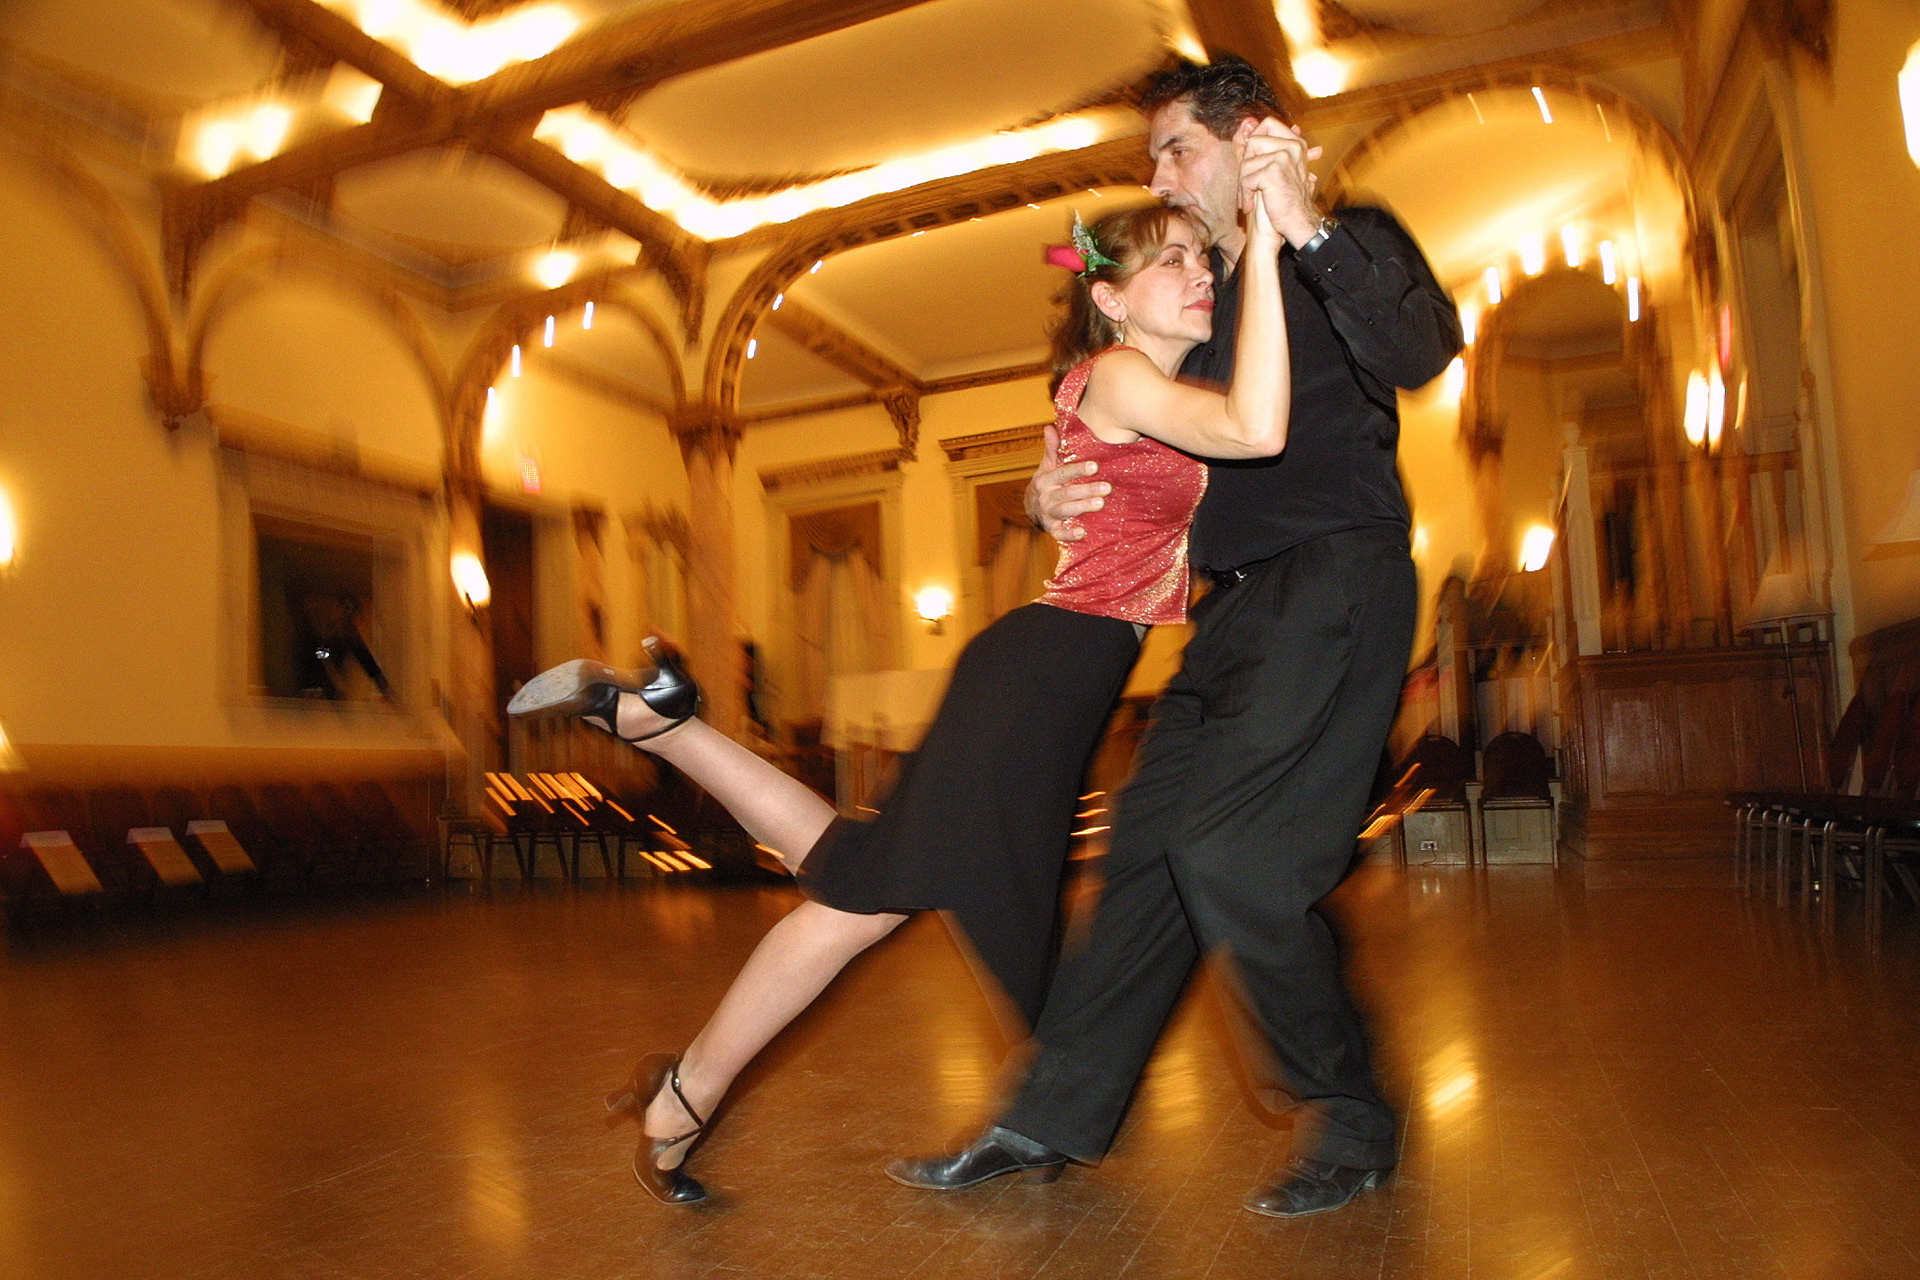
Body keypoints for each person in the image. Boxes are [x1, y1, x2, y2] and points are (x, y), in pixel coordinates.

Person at [506, 183, 1295, 1205]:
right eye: (1171, 260)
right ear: (1108, 298)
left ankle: (657, 722)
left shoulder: (1130, 381)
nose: (1200, 272)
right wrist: (1265, 241)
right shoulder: (1125, 371)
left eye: (1206, 257)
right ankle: (683, 1095)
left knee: (853, 867)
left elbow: (1112, 469)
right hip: (1039, 679)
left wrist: (1036, 489)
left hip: (1048, 683)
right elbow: (1257, 427)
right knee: (853, 902)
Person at [887, 56, 1461, 1219]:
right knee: (1147, 853)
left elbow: (1421, 347)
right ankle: (1048, 1114)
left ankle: (1350, 1109)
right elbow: (1127, 442)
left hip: (1334, 583)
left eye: (1174, 150)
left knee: (1234, 856)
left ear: (1246, 137)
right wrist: (1042, 500)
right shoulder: (1194, 319)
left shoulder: (1338, 242)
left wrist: (1306, 229)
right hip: (1230, 616)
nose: (1157, 174)